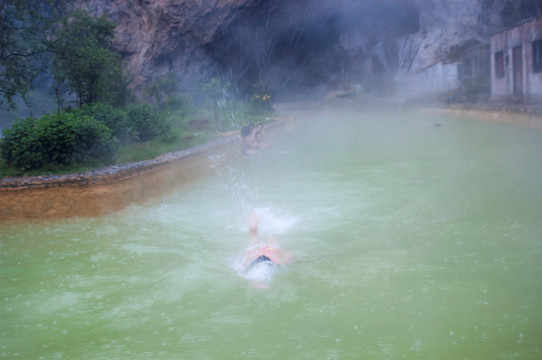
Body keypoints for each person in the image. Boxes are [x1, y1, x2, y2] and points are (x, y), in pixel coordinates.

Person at [241, 212, 294, 288]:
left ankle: (254, 223)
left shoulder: (276, 254)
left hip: (259, 254)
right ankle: (259, 226)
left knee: (255, 237)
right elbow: (290, 256)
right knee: (261, 239)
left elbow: (289, 256)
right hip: (264, 255)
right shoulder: (277, 254)